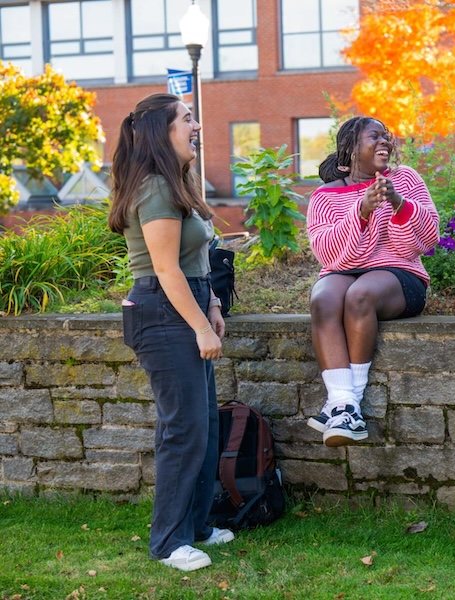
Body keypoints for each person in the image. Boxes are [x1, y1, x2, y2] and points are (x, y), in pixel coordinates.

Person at [108, 93, 233, 572]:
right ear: (164, 131)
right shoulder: (156, 188)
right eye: (187, 119)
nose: (196, 125)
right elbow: (165, 269)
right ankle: (167, 542)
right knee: (182, 429)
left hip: (187, 303)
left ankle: (196, 527)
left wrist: (214, 304)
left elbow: (194, 259)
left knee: (204, 424)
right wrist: (200, 325)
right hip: (163, 311)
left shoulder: (176, 183)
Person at [305, 116, 440, 447]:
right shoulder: (324, 196)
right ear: (350, 149)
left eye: (386, 137)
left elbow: (422, 242)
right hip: (343, 271)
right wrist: (361, 211)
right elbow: (329, 256)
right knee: (323, 298)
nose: (385, 142)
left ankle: (348, 403)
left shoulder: (404, 179)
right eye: (374, 136)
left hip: (399, 276)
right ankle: (344, 403)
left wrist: (398, 203)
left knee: (360, 295)